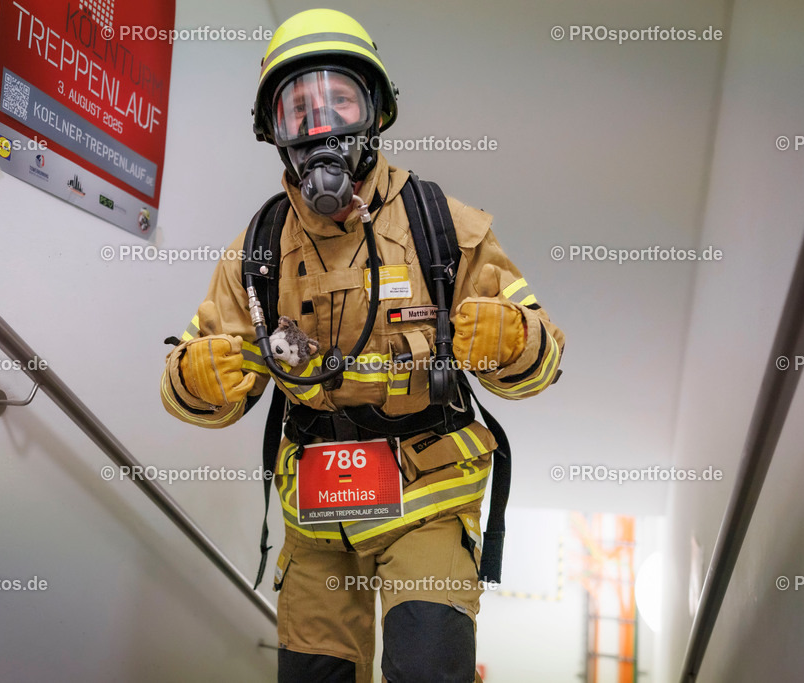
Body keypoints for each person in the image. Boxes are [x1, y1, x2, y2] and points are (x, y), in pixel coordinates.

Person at [161, 9, 565, 682]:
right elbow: (199, 384)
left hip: (430, 502)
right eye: (299, 109)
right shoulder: (255, 254)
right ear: (274, 133)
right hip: (316, 522)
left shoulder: (445, 227)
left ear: (376, 112)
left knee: (429, 667)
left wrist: (515, 340)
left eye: (340, 99)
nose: (322, 125)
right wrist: (195, 379)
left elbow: (542, 363)